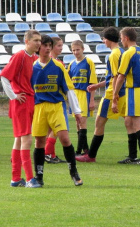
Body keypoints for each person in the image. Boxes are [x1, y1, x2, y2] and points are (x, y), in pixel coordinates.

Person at [29, 35, 83, 187]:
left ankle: (74, 172)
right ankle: (39, 176)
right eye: (44, 45)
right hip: (39, 107)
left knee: (65, 138)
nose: (47, 48)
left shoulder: (58, 66)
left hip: (56, 106)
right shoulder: (32, 67)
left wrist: (76, 111)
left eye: (49, 45)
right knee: (39, 141)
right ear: (38, 48)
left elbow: (69, 90)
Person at [76, 27, 127, 163]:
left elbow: (116, 78)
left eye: (104, 39)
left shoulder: (113, 54)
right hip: (122, 92)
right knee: (131, 122)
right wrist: (97, 86)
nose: (103, 41)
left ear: (109, 39)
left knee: (99, 122)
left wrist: (114, 99)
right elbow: (113, 77)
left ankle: (90, 155)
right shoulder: (121, 52)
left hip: (112, 94)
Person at [0, 30, 41, 188]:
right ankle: (30, 179)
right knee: (27, 139)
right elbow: (4, 76)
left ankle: (16, 178)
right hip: (22, 101)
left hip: (30, 100)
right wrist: (13, 96)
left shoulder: (35, 58)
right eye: (35, 40)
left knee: (19, 139)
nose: (38, 43)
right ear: (27, 41)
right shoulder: (20, 56)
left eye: (39, 40)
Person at [112, 27, 140, 165]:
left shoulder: (128, 54)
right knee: (128, 122)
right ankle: (133, 156)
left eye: (121, 38)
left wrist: (115, 95)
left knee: (138, 124)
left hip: (134, 90)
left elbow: (121, 76)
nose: (121, 40)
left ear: (126, 38)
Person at [67, 39, 97, 156]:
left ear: (83, 49)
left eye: (77, 49)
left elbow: (92, 83)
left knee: (82, 121)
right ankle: (86, 149)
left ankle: (78, 151)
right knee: (77, 121)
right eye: (73, 50)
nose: (75, 52)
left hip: (84, 94)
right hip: (74, 95)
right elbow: (68, 81)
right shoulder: (71, 64)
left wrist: (92, 100)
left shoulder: (88, 62)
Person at [44, 36, 67, 164]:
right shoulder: (56, 63)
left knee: (50, 129)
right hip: (56, 99)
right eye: (59, 45)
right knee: (57, 128)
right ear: (51, 47)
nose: (61, 48)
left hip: (48, 100)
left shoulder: (54, 61)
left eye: (62, 45)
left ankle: (52, 155)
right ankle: (47, 152)